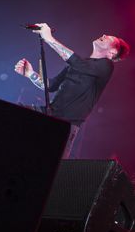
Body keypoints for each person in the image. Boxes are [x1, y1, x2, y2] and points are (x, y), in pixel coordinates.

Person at [14, 24, 129, 157]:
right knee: (11, 113)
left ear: (112, 52)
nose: (104, 35)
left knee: (50, 165)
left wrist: (49, 38)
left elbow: (78, 63)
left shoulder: (106, 66)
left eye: (109, 38)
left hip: (66, 124)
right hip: (48, 113)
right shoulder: (79, 64)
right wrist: (30, 74)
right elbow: (51, 86)